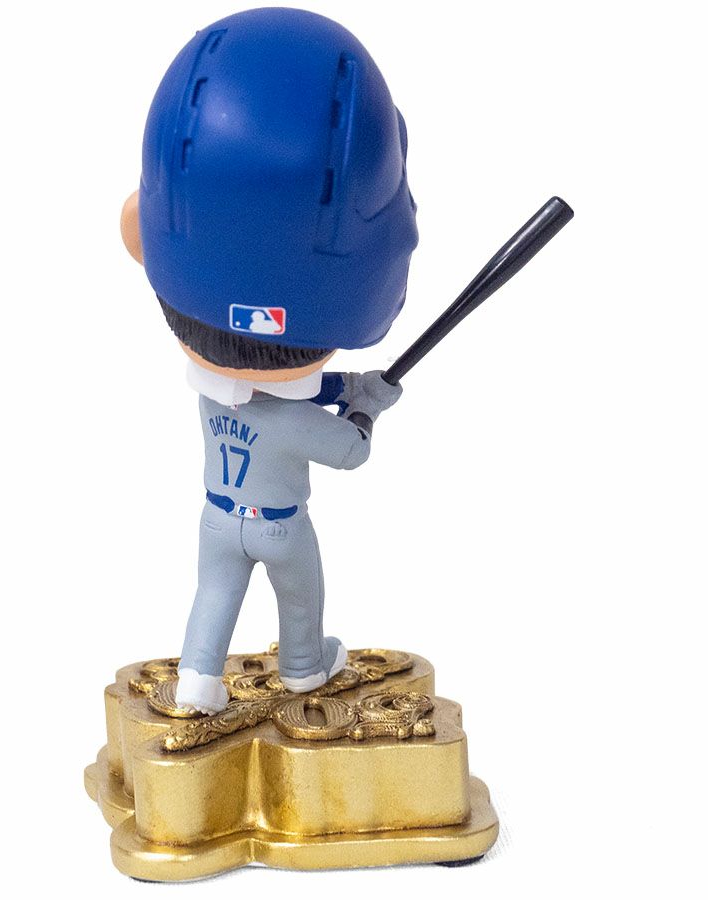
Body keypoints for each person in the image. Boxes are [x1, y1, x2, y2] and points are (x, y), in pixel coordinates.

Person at [119, 8, 418, 713]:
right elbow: (350, 451)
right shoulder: (291, 422)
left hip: (217, 518)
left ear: (140, 236)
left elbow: (279, 398)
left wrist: (344, 384)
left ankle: (199, 677)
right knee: (300, 594)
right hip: (281, 526)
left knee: (213, 593)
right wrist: (366, 407)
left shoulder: (207, 396)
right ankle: (305, 666)